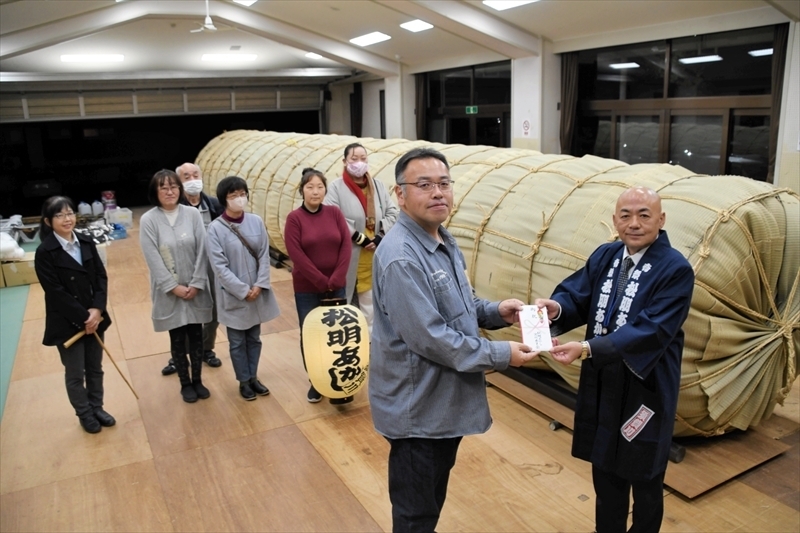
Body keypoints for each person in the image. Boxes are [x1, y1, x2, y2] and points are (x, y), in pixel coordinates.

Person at [370, 147, 539, 532]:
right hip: (419, 411)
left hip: (441, 407)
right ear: (400, 194)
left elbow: (461, 304)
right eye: (424, 185)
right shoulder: (401, 256)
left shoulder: (442, 238)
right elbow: (431, 338)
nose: (438, 193)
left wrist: (497, 312)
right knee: (416, 514)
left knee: (428, 503)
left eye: (444, 184)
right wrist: (502, 354)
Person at [535, 186, 694, 533]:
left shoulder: (675, 269)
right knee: (605, 466)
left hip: (644, 384)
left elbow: (651, 329)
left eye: (644, 215)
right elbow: (578, 296)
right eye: (626, 215)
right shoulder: (607, 255)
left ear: (661, 220)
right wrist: (556, 308)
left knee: (645, 474)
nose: (634, 223)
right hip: (604, 380)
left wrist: (590, 348)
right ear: (614, 220)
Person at [34, 196, 115, 434]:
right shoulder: (45, 252)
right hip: (68, 322)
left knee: (95, 368)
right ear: (48, 221)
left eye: (69, 213)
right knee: (75, 372)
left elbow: (101, 277)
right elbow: (55, 292)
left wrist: (97, 310)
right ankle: (85, 414)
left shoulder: (86, 242)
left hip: (94, 318)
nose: (67, 219)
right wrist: (84, 317)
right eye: (60, 215)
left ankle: (97, 407)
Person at [140, 169, 213, 403]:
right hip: (170, 293)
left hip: (195, 289)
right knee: (178, 338)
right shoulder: (149, 220)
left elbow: (203, 249)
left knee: (197, 335)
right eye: (163, 187)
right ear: (155, 192)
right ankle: (185, 382)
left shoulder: (192, 214)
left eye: (173, 187)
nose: (170, 191)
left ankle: (198, 380)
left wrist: (198, 282)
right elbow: (152, 258)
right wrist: (173, 287)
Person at [206, 176, 280, 401]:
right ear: (223, 200)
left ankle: (254, 377)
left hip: (256, 292)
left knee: (254, 338)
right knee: (237, 341)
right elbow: (219, 267)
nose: (239, 199)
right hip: (234, 295)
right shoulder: (215, 229)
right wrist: (242, 290)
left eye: (242, 194)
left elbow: (264, 255)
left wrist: (259, 284)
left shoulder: (256, 221)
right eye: (233, 195)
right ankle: (243, 381)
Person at [284, 168, 352, 404]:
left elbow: (345, 246)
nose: (315, 191)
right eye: (310, 187)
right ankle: (316, 381)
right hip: (308, 288)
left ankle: (340, 381)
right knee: (312, 335)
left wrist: (336, 279)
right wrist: (322, 281)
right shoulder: (295, 218)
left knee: (337, 335)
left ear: (325, 189)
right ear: (302, 190)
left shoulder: (334, 213)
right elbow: (297, 254)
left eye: (320, 187)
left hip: (336, 286)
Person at [324, 142, 398, 331]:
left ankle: (371, 347)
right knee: (345, 304)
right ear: (344, 161)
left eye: (363, 159)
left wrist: (380, 236)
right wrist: (359, 238)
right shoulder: (336, 188)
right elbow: (333, 215)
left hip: (375, 254)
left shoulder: (378, 186)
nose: (359, 163)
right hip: (348, 254)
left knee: (371, 305)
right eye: (354, 159)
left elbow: (392, 212)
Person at [159, 162, 224, 376]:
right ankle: (179, 355)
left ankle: (206, 349)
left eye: (195, 174)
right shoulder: (174, 210)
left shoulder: (214, 205)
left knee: (213, 312)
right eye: (186, 177)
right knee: (184, 313)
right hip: (184, 268)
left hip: (212, 268)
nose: (192, 179)